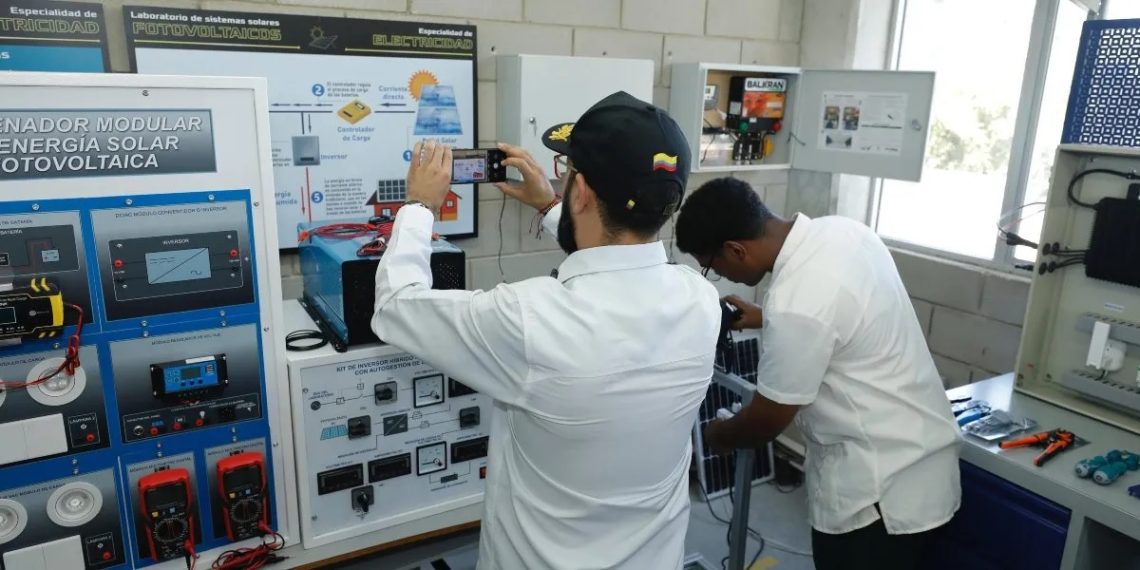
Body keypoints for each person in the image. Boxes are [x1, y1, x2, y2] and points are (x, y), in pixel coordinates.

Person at [371, 91, 721, 570]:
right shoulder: (701, 301)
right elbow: (614, 266)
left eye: (568, 171)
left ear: (581, 191)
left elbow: (395, 307)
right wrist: (550, 207)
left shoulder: (526, 317)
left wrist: (418, 206)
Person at [674, 177, 962, 570]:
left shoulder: (798, 302)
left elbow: (765, 421)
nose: (717, 274)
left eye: (711, 265)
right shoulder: (845, 232)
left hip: (878, 497)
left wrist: (716, 435)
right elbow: (846, 317)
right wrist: (764, 318)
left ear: (735, 249)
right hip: (924, 463)